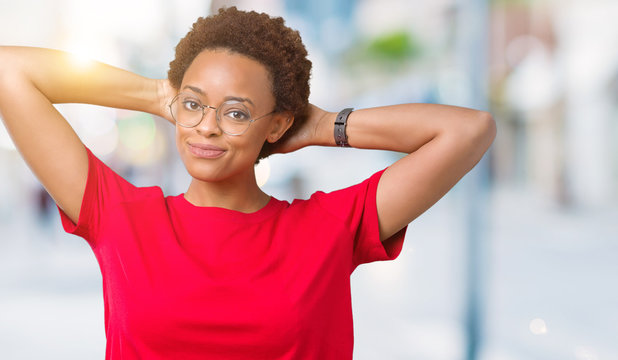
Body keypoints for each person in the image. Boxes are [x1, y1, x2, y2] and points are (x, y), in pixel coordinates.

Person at [0, 6, 496, 360]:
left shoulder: (330, 227)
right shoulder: (121, 215)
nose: (207, 127)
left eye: (236, 112)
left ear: (277, 124)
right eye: (194, 105)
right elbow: (10, 70)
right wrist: (157, 93)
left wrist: (321, 126)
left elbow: (468, 130)